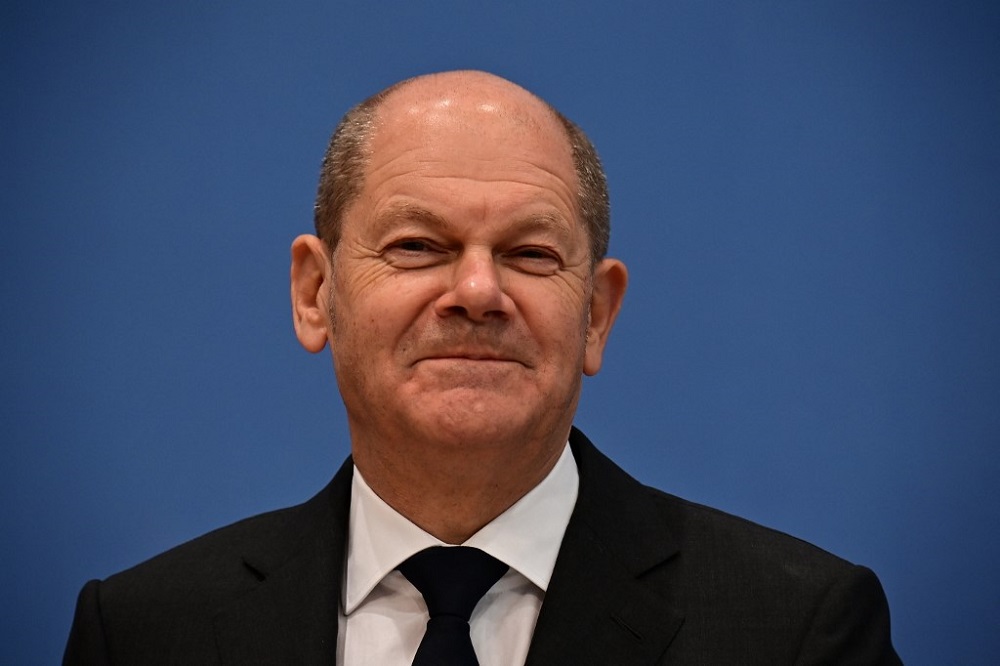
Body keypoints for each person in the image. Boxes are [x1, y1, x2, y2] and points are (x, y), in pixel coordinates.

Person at [64, 70, 901, 665]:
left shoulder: (796, 630)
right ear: (317, 293)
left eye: (530, 253)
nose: (476, 291)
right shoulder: (144, 631)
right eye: (418, 246)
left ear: (597, 315)